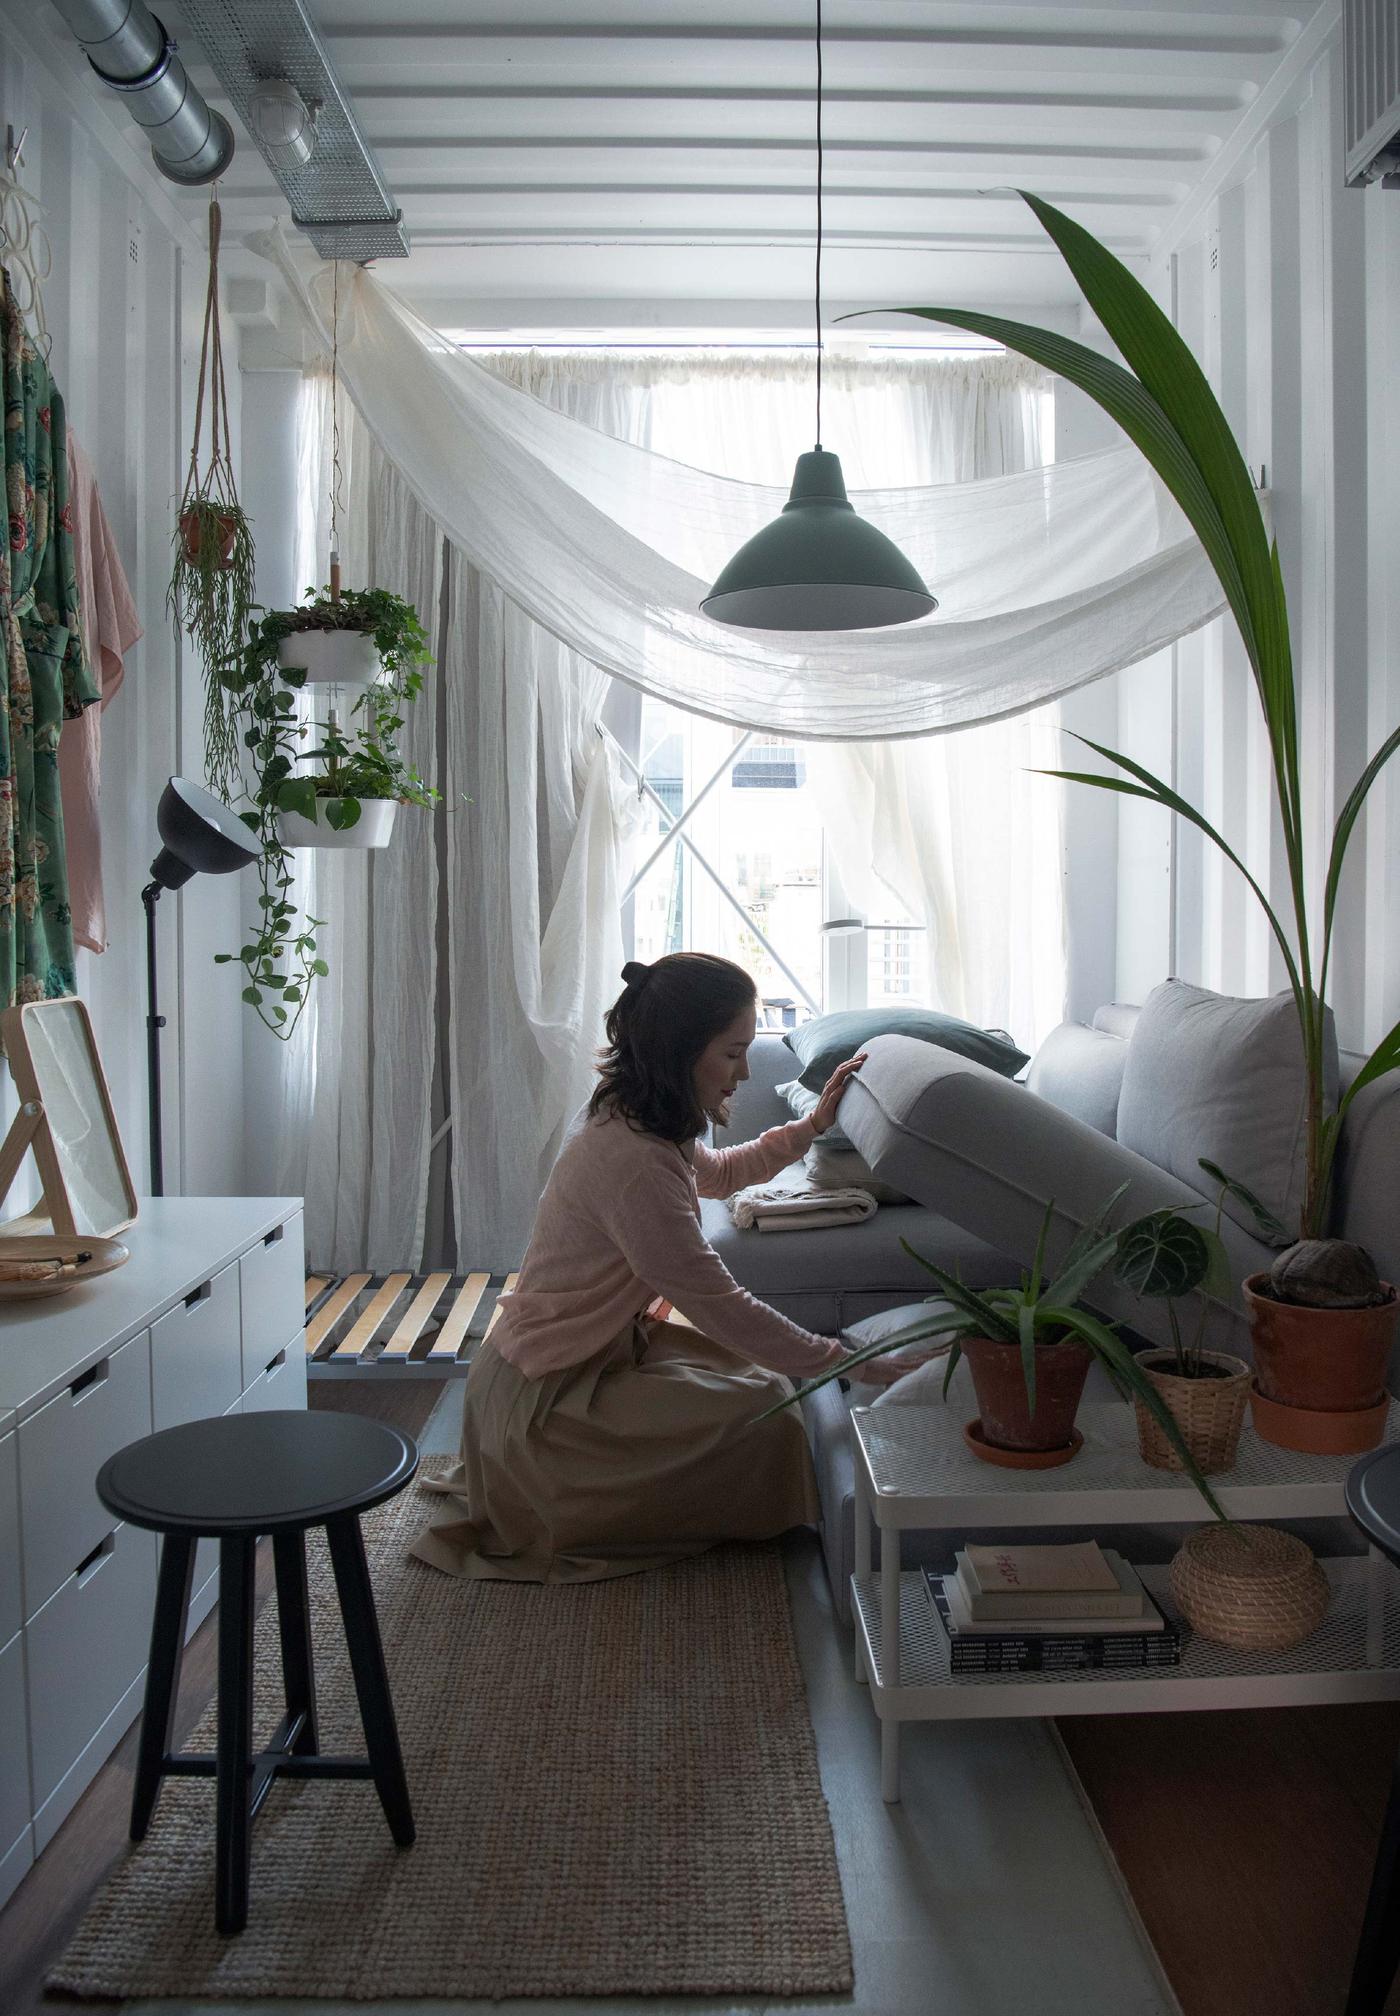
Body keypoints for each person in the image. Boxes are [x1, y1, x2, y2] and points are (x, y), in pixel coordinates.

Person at [411, 951, 893, 1583]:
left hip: (589, 1358)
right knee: (766, 1411)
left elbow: (718, 1176)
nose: (744, 1071)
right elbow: (717, 1301)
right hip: (544, 1399)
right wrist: (841, 1360)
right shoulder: (634, 1160)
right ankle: (558, 1494)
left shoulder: (640, 1119)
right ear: (680, 1050)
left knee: (769, 1387)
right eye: (732, 1052)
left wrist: (810, 1127)